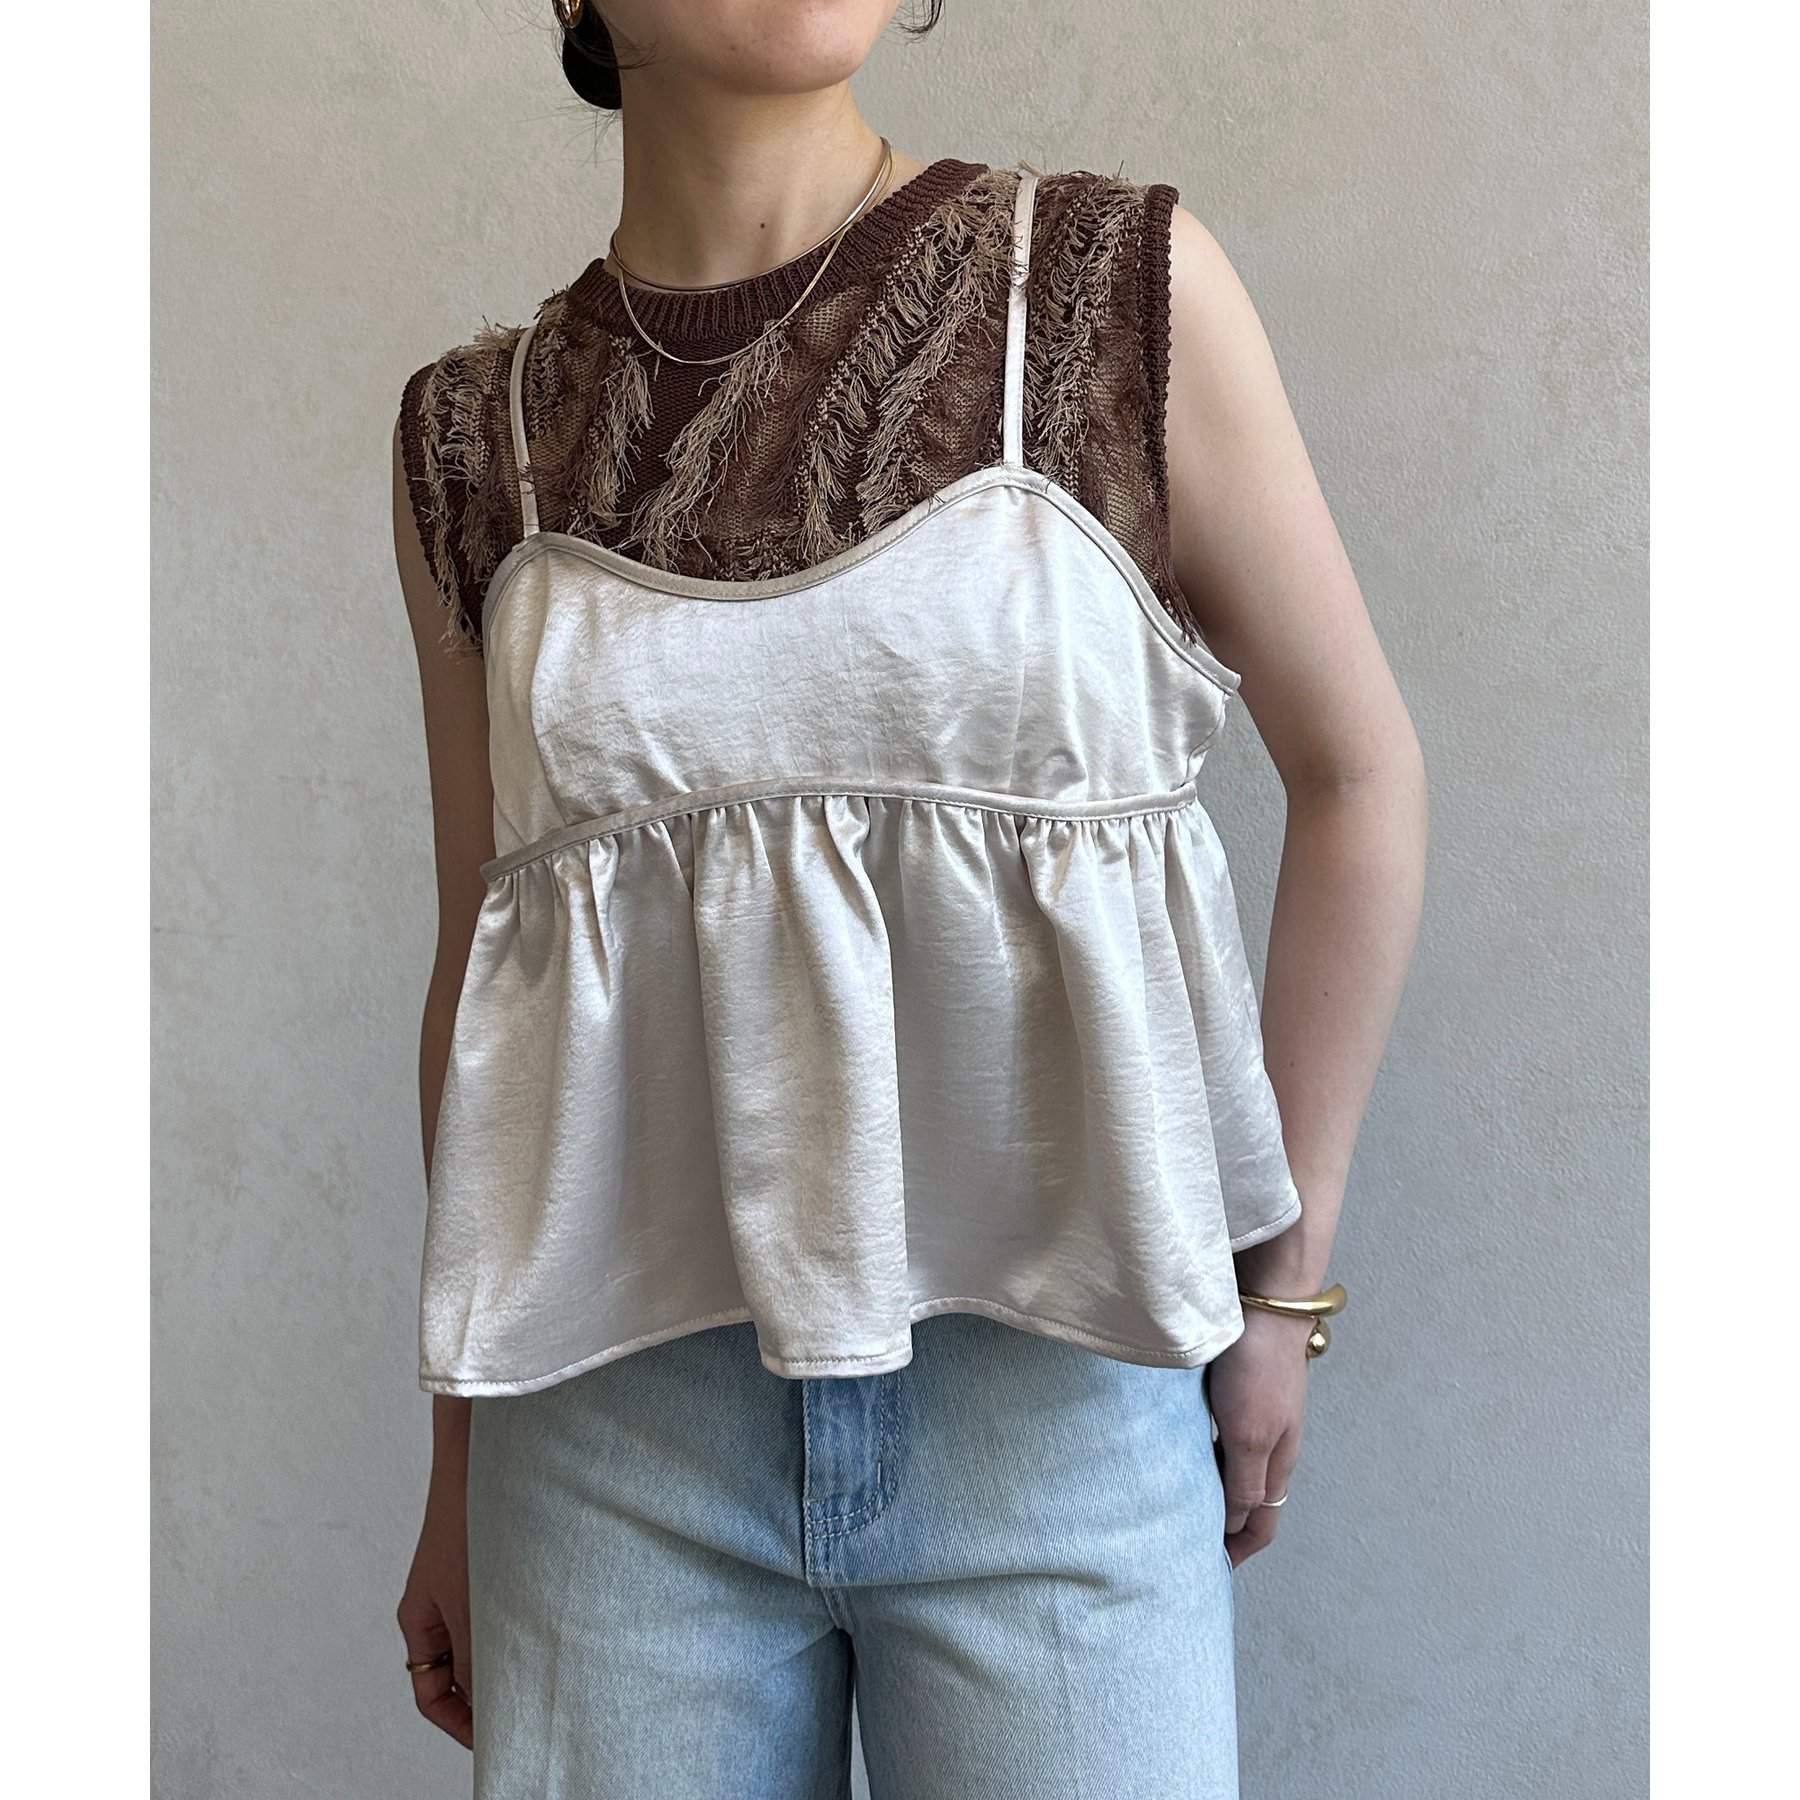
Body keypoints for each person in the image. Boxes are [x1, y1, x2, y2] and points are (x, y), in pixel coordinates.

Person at [389, 3, 1427, 1793]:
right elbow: (487, 966)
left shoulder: (1104, 296)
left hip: (1058, 1397)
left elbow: (1362, 780)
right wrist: (460, 1461)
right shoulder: (477, 441)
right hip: (611, 1441)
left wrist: (1284, 1294)